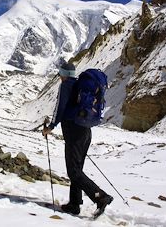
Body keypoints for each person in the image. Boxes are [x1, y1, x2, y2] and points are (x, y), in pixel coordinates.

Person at [42, 62, 113, 216]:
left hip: (74, 131)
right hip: (85, 131)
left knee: (73, 171)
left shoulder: (66, 85)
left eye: (60, 73)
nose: (59, 76)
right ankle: (74, 204)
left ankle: (100, 197)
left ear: (64, 74)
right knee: (77, 170)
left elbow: (59, 108)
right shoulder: (79, 85)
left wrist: (51, 126)